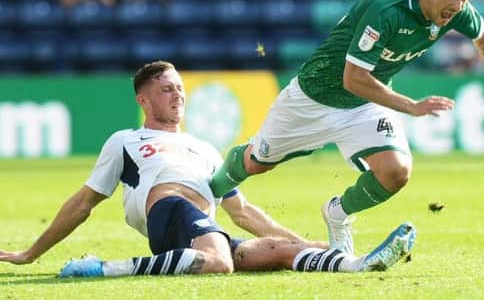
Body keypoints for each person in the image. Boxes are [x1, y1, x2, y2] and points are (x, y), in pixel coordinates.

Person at [210, 0, 484, 255]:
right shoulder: (387, 11)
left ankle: (337, 213)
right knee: (258, 161)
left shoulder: (451, 7)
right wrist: (411, 106)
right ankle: (212, 186)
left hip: (363, 103)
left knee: (396, 172)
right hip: (313, 98)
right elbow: (352, 78)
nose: (458, 6)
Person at [0, 61, 415, 278]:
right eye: (166, 90)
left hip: (201, 233)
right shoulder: (124, 141)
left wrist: (305, 241)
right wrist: (30, 253)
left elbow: (243, 213)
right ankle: (103, 268)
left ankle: (355, 263)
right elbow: (83, 203)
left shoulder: (204, 148)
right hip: (169, 213)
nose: (177, 95)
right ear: (144, 100)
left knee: (279, 252)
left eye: (180, 88)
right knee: (219, 262)